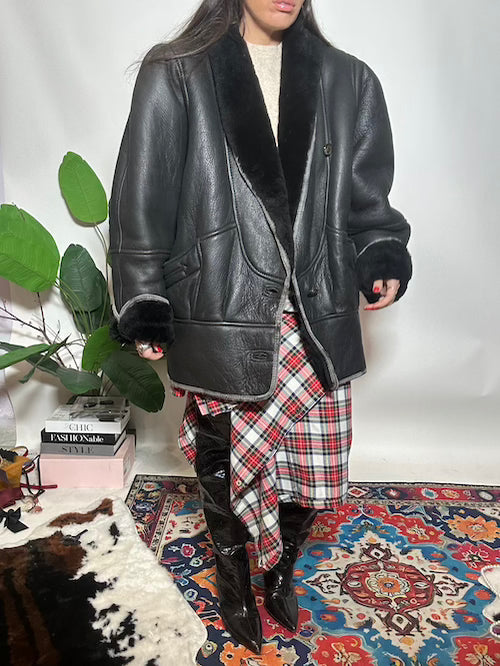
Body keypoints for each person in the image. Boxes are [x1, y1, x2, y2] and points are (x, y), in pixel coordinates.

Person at [109, 0, 412, 655]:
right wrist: (144, 298)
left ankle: (280, 566)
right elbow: (141, 197)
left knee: (314, 460)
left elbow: (368, 202)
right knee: (228, 455)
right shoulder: (177, 72)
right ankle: (234, 579)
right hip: (223, 299)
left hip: (316, 306)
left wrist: (380, 253)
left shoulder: (348, 79)